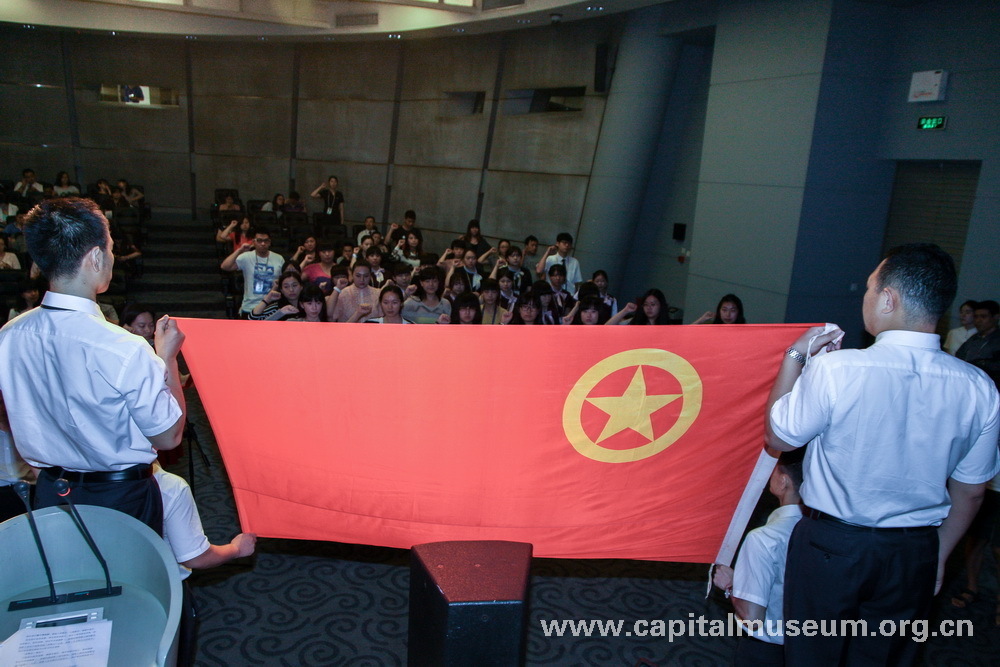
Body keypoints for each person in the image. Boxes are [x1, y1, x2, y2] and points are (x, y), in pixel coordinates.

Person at [765, 243, 1000, 665]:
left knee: (812, 655)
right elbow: (972, 492)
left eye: (871, 288)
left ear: (888, 299)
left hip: (832, 546)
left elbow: (779, 438)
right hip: (914, 551)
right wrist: (938, 554)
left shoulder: (837, 369)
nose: (866, 297)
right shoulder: (980, 387)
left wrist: (795, 357)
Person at [0, 198, 186, 535]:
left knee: (62, 567)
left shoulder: (9, 335)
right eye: (111, 248)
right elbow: (169, 435)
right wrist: (168, 358)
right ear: (96, 257)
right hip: (120, 497)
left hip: (50, 491)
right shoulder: (123, 348)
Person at [713, 449, 804, 666]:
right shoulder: (819, 530)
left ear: (783, 482)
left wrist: (730, 586)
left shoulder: (763, 539)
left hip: (766, 651)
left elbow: (752, 618)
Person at [220, 227, 285, 318]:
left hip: (272, 307)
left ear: (270, 242)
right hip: (250, 307)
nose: (263, 243)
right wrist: (239, 250)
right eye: (259, 240)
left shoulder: (279, 258)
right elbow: (225, 266)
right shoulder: (246, 257)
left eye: (266, 241)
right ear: (253, 242)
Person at [955, 299, 1000, 378]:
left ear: (996, 317)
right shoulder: (974, 338)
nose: (978, 320)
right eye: (976, 317)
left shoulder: (997, 339)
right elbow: (959, 356)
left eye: (983, 317)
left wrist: (980, 364)